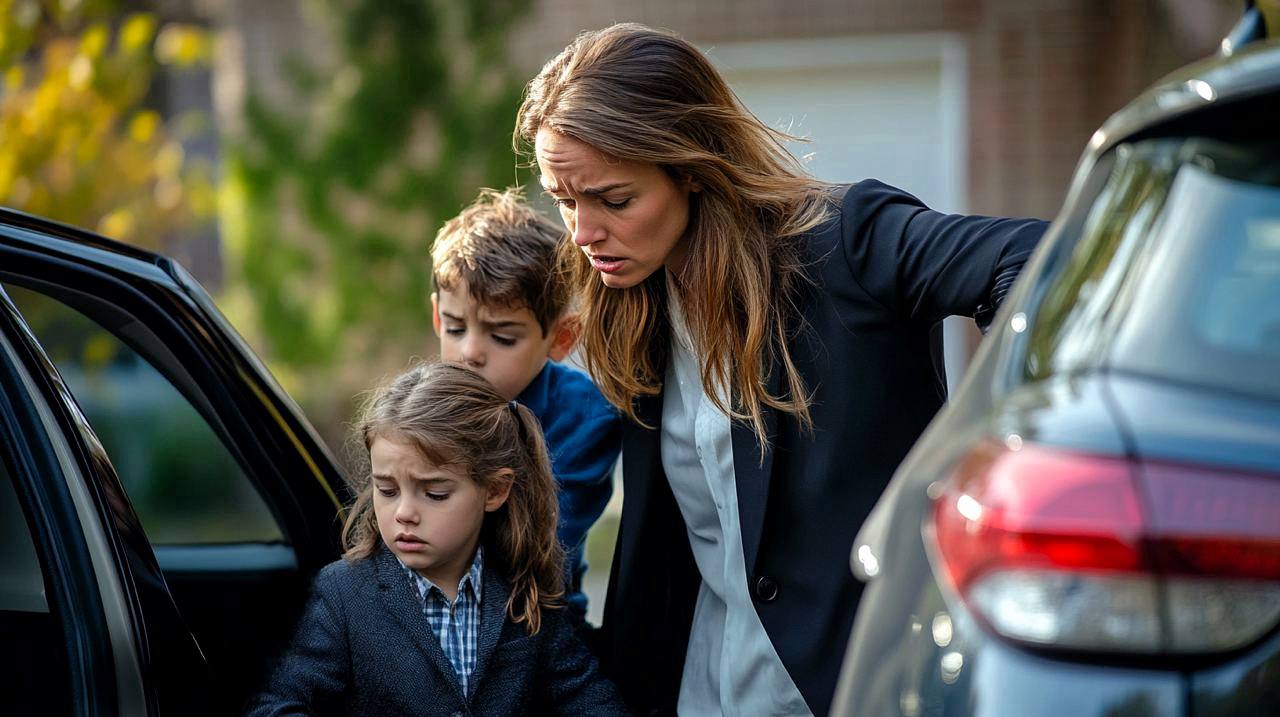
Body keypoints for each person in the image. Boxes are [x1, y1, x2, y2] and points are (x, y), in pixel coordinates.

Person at [515, 23, 1049, 717]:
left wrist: (982, 448)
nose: (583, 232)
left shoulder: (846, 240)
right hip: (697, 692)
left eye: (614, 200)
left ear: (693, 168)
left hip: (857, 689)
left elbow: (1042, 261)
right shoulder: (630, 301)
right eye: (565, 199)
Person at [247, 363, 628, 715]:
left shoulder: (526, 589)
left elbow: (591, 700)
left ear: (495, 491)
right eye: (388, 490)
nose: (404, 513)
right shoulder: (345, 593)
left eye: (435, 494)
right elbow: (279, 706)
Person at [429, 187, 622, 624]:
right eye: (456, 328)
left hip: (540, 620)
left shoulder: (586, 417)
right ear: (438, 317)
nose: (470, 353)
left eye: (503, 337)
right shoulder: (423, 409)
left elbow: (544, 543)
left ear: (560, 338)